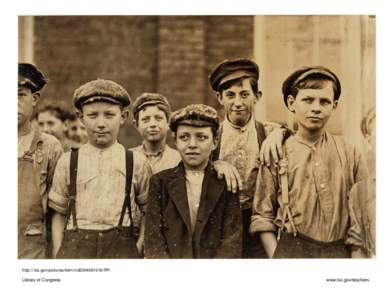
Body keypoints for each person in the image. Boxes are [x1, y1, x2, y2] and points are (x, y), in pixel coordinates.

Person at [250, 66, 369, 258]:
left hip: (340, 252)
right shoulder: (276, 152)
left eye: (324, 102)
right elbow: (263, 216)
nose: (316, 108)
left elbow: (363, 215)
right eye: (307, 100)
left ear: (334, 106)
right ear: (291, 103)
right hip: (292, 250)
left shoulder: (350, 152)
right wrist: (278, 258)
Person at [49, 79, 152, 258]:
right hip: (76, 251)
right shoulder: (68, 161)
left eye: (109, 115)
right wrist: (58, 251)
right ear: (81, 117)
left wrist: (139, 246)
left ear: (123, 116)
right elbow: (59, 213)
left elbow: (147, 211)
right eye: (93, 115)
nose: (101, 124)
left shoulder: (136, 161)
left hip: (122, 250)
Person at [209, 58, 290, 258]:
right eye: (230, 95)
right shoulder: (211, 136)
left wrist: (281, 133)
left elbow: (297, 138)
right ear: (220, 98)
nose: (238, 103)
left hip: (259, 226)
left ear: (257, 96)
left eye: (245, 94)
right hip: (220, 224)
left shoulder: (269, 132)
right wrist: (215, 163)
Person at [145, 104, 242, 258]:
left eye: (201, 137)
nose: (192, 145)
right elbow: (154, 241)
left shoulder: (225, 183)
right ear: (175, 141)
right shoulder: (160, 183)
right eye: (184, 137)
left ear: (215, 142)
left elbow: (231, 241)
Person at [18, 63, 63, 258]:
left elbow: (58, 209)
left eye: (20, 95)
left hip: (33, 248)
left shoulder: (49, 147)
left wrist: (56, 252)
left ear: (34, 99)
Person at [131, 93, 180, 174]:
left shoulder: (178, 159)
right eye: (146, 119)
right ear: (136, 125)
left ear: (168, 122)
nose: (152, 124)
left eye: (158, 118)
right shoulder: (128, 158)